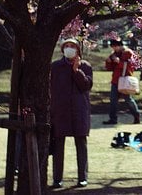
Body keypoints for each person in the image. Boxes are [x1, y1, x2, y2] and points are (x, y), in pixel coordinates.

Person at [50, 38, 93, 189]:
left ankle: (82, 177)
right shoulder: (55, 66)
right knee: (58, 145)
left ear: (78, 50)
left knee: (81, 144)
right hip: (60, 110)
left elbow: (86, 86)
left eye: (72, 46)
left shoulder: (86, 66)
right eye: (66, 46)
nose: (69, 49)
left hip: (79, 110)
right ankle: (57, 178)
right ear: (62, 49)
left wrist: (76, 71)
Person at [103, 39, 140, 125]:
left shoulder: (128, 53)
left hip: (125, 79)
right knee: (113, 100)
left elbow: (130, 66)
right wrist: (108, 62)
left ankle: (136, 115)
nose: (114, 49)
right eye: (113, 47)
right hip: (116, 80)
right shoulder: (113, 54)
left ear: (120, 45)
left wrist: (119, 62)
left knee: (128, 100)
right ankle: (113, 119)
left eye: (115, 46)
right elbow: (110, 68)